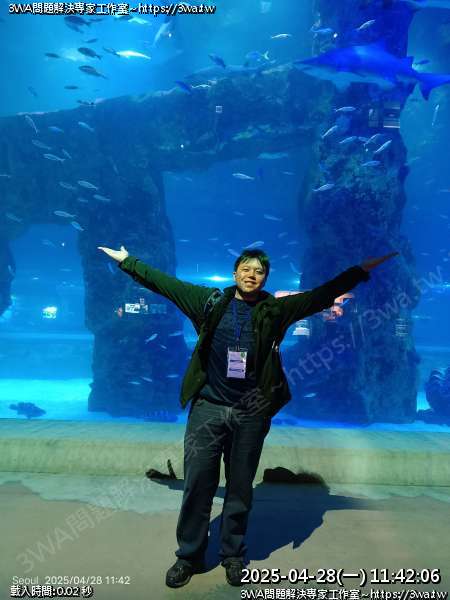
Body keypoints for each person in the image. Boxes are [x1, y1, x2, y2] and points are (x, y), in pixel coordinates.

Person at [97, 243, 398, 587]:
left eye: (259, 271)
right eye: (246, 268)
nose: (251, 275)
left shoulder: (276, 310)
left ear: (265, 278)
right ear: (235, 272)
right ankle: (189, 556)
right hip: (208, 407)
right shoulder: (209, 302)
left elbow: (322, 295)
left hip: (251, 411)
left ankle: (233, 554)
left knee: (240, 486)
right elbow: (165, 284)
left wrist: (360, 270)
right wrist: (128, 261)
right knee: (198, 484)